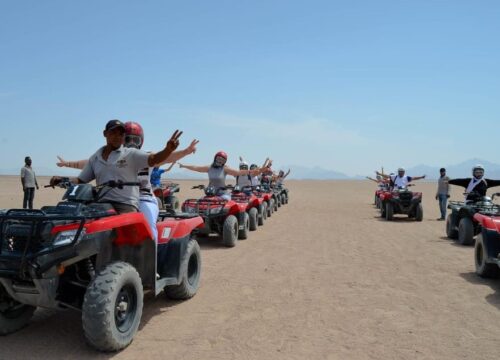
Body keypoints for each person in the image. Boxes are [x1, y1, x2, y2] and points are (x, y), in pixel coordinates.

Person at [55, 121, 198, 241]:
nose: (131, 143)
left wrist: (183, 150)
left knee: (148, 229)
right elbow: (85, 166)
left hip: (143, 198)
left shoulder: (141, 155)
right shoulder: (106, 156)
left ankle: (151, 267)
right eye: (128, 138)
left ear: (141, 141)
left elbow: (166, 158)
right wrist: (66, 166)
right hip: (109, 198)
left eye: (135, 140)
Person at [50, 119, 182, 215]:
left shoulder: (131, 154)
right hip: (101, 204)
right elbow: (81, 180)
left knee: (135, 236)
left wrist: (168, 149)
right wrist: (62, 179)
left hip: (125, 204)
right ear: (105, 134)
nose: (118, 137)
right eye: (113, 133)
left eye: (121, 134)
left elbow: (154, 159)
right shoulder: (96, 157)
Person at [178, 151, 269, 200]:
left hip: (222, 194)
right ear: (215, 158)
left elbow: (237, 172)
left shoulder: (225, 168)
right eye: (218, 158)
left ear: (224, 161)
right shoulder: (209, 167)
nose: (220, 161)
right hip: (210, 192)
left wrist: (249, 171)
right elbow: (196, 167)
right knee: (202, 201)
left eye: (222, 160)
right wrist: (184, 165)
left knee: (225, 202)